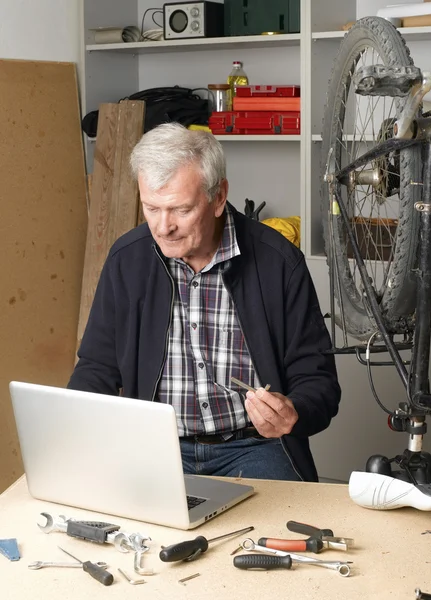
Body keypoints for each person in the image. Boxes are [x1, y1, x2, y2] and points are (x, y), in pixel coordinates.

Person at [68, 122, 341, 482]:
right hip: (154, 449)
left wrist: (294, 411)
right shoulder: (127, 260)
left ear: (218, 197)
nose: (163, 227)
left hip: (254, 447)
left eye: (180, 210)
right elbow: (96, 369)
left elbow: (317, 380)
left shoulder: (278, 262)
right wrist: (72, 432)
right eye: (151, 208)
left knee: (271, 536)